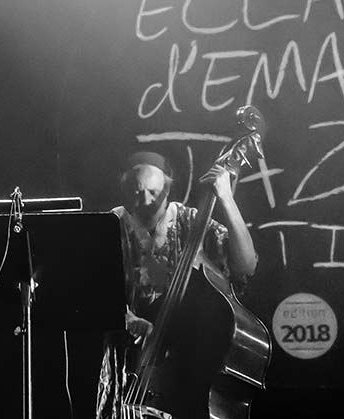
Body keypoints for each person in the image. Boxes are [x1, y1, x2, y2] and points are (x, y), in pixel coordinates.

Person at [96, 150, 258, 419]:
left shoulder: (190, 221)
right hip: (126, 367)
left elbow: (245, 266)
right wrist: (125, 317)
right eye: (137, 192)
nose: (146, 200)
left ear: (168, 189)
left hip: (185, 365)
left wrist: (226, 198)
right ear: (124, 189)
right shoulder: (110, 225)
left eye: (153, 192)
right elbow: (92, 290)